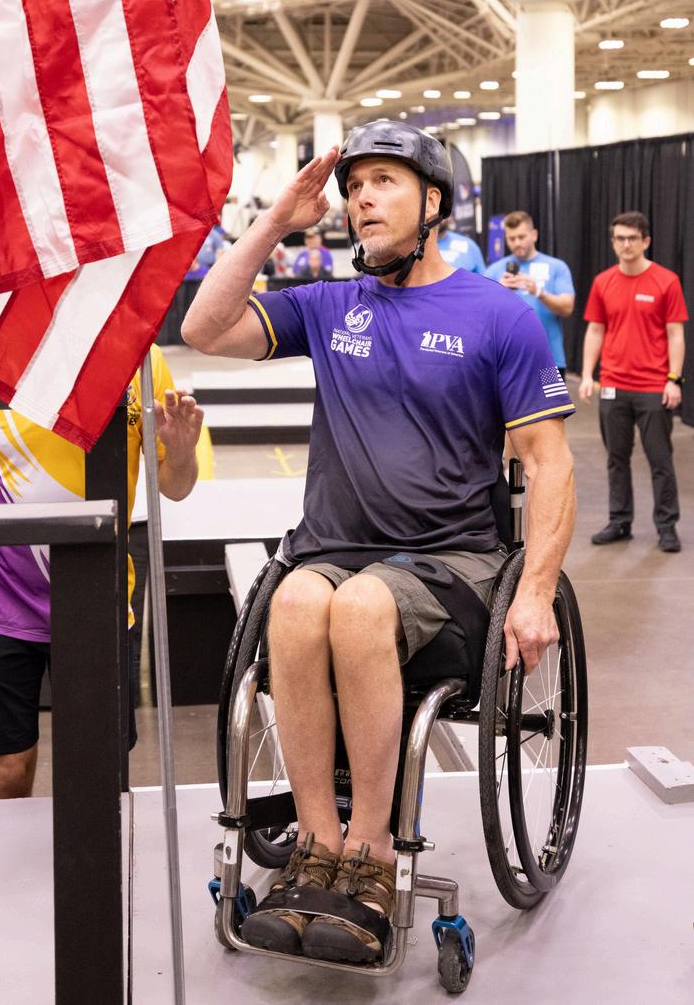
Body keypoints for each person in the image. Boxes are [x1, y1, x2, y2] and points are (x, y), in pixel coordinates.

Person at [182, 119, 575, 965]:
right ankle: (315, 846)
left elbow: (551, 465)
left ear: (433, 203)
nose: (362, 198)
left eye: (383, 182)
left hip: (451, 562)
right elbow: (204, 329)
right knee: (293, 600)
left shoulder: (498, 316)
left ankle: (371, 854)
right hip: (331, 550)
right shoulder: (330, 306)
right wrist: (275, 220)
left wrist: (538, 589)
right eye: (354, 186)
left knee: (363, 607)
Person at [0, 348, 202, 799]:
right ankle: (10, 849)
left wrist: (183, 452)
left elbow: (174, 485)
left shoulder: (139, 357)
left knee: (95, 771)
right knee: (8, 769)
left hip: (97, 596)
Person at [580, 210, 688, 553]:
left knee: (660, 460)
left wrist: (673, 379)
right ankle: (620, 521)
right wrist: (587, 375)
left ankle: (667, 526)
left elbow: (675, 335)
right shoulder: (603, 282)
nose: (625, 244)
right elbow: (595, 330)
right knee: (617, 458)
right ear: (613, 242)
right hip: (613, 384)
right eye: (619, 238)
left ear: (645, 242)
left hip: (653, 387)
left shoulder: (666, 281)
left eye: (632, 238)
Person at [485, 211, 575, 370]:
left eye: (521, 237)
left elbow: (567, 308)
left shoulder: (556, 267)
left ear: (534, 235)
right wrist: (498, 292)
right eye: (512, 238)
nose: (517, 243)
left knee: (550, 389)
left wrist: (539, 292)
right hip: (506, 362)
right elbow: (479, 312)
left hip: (548, 361)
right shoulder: (494, 270)